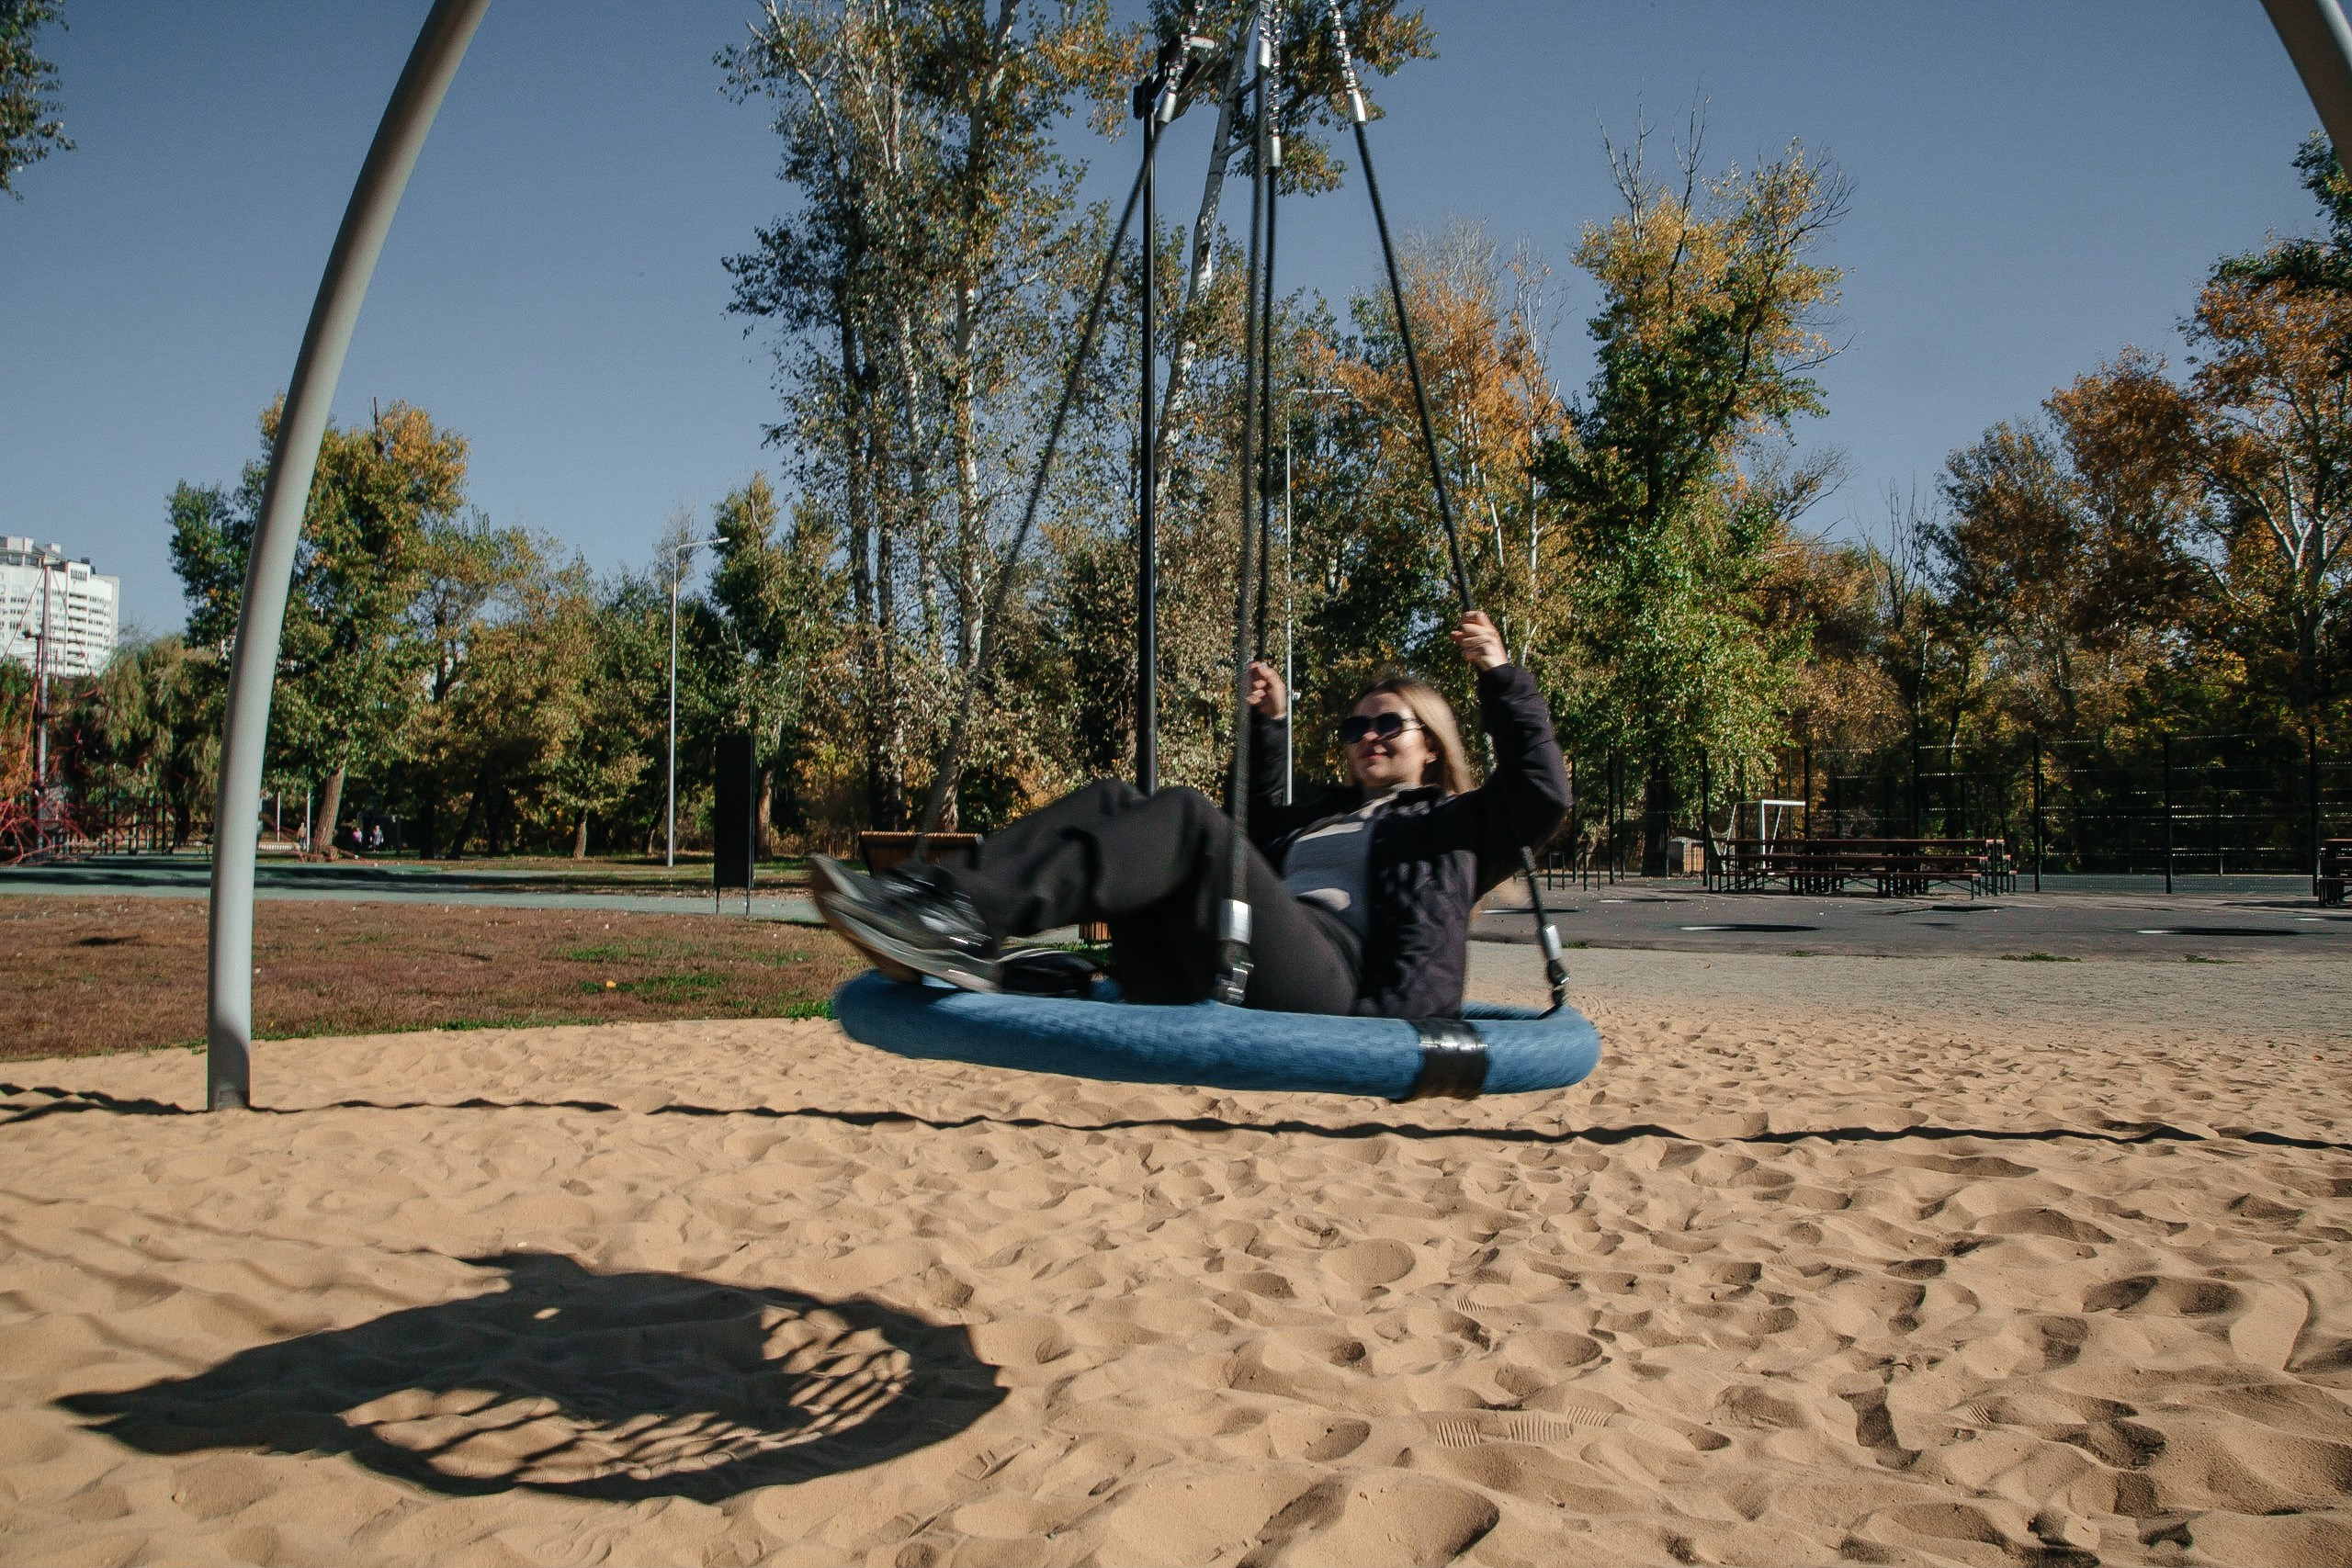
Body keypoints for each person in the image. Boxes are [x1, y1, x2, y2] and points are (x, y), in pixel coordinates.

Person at [812, 610, 1569, 1020]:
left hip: (1343, 984)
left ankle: (953, 917)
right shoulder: (1320, 819)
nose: (1367, 735)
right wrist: (1268, 728)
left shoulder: (1454, 826)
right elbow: (1251, 828)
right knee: (1114, 796)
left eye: (1388, 725)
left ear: (1431, 746)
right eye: (1354, 726)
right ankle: (936, 907)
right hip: (1237, 955)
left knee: (1183, 814)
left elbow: (1543, 794)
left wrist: (1502, 678)